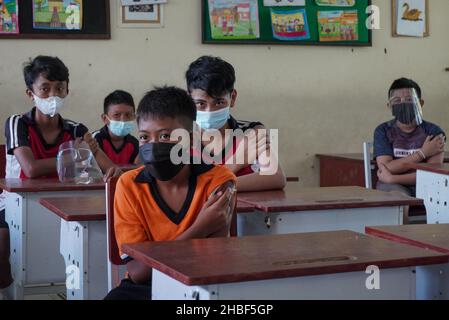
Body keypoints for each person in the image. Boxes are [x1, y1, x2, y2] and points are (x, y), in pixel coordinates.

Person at [105, 86, 236, 300]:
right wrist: (200, 228)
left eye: (166, 135)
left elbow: (212, 261)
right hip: (147, 287)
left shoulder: (219, 180)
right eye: (145, 137)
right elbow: (138, 273)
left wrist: (159, 255)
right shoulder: (129, 185)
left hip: (201, 285)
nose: (153, 146)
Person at [185, 55, 286, 192]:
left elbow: (275, 177)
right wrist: (237, 161)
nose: (210, 111)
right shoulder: (181, 137)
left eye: (219, 102)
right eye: (201, 104)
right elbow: (180, 190)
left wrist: (211, 186)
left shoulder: (251, 132)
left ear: (232, 98)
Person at [374, 78, 446, 222]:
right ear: (389, 106)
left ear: (421, 103)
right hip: (393, 186)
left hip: (425, 185)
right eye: (397, 101)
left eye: (409, 99)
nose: (403, 104)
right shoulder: (383, 130)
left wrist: (393, 177)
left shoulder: (433, 131)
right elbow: (386, 167)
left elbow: (432, 176)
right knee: (399, 200)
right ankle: (400, 241)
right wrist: (423, 153)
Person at [93, 90, 139, 166]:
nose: (123, 120)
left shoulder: (134, 144)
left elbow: (136, 171)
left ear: (134, 117)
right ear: (105, 119)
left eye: (128, 115)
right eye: (116, 115)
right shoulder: (95, 140)